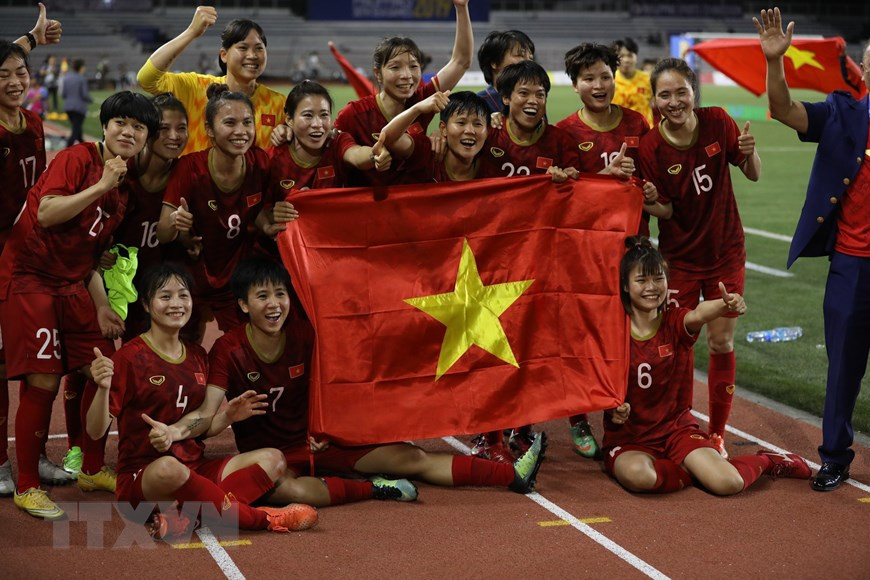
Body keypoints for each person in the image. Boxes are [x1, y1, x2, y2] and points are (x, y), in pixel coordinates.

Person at [206, 257, 547, 508]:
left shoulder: (304, 335)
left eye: (279, 294)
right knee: (285, 493)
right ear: (242, 305)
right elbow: (207, 421)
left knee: (412, 458)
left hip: (321, 442)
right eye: (262, 297)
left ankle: (511, 476)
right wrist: (226, 418)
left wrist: (324, 430)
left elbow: (336, 385)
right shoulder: (227, 349)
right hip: (272, 457)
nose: (274, 305)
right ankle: (376, 489)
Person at [0, 91, 159, 519]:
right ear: (105, 126)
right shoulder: (77, 160)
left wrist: (103, 305)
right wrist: (102, 185)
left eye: (138, 127)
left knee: (104, 368)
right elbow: (48, 213)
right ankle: (27, 486)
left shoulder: (124, 189)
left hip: (71, 284)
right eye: (121, 123)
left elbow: (88, 257)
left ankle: (90, 467)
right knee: (43, 382)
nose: (128, 132)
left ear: (146, 138)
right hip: (30, 279)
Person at [87, 263, 318, 539]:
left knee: (273, 458)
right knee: (168, 467)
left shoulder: (197, 355)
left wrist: (226, 418)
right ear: (147, 305)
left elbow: (201, 426)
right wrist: (102, 388)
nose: (176, 304)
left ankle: (188, 519)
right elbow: (95, 431)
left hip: (195, 467)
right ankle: (262, 518)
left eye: (183, 295)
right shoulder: (129, 357)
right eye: (165, 296)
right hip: (146, 477)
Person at [754, 8, 870, 491]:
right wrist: (774, 63)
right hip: (853, 262)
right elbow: (783, 111)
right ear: (865, 68)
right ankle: (835, 456)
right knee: (843, 363)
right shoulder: (843, 110)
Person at [603, 237, 811, 495]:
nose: (652, 287)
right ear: (625, 285)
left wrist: (726, 303)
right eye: (641, 280)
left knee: (729, 484)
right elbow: (595, 383)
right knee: (638, 476)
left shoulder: (675, 321)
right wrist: (612, 409)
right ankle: (693, 470)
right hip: (629, 439)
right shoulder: (612, 331)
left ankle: (770, 461)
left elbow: (699, 313)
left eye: (659, 279)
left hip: (676, 432)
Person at [637, 58, 761, 459]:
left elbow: (753, 174)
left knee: (721, 341)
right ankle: (675, 425)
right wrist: (652, 203)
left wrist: (749, 153)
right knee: (678, 342)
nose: (674, 101)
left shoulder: (718, 122)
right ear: (654, 100)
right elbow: (668, 212)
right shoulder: (650, 148)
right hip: (680, 259)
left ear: (694, 92)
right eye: (665, 94)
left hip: (726, 251)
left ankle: (718, 434)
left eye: (681, 92)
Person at [555, 43, 669, 459]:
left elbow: (653, 185)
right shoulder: (565, 133)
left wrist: (651, 189)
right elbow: (563, 203)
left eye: (605, 76)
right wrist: (602, 177)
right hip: (588, 253)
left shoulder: (638, 123)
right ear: (575, 85)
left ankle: (618, 419)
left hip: (634, 248)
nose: (599, 85)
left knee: (626, 337)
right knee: (587, 336)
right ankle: (577, 416)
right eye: (589, 79)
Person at [157, 84, 294, 340]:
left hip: (233, 279)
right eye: (230, 123)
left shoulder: (260, 163)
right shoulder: (189, 167)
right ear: (209, 130)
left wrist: (269, 226)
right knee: (185, 351)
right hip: (189, 278)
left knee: (244, 347)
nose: (241, 131)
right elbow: (163, 232)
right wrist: (176, 223)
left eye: (247, 123)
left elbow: (258, 213)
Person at [334, 0, 473, 185]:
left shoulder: (422, 99)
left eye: (413, 66)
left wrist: (461, 8)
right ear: (378, 74)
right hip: (369, 208)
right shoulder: (353, 114)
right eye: (395, 67)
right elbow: (338, 151)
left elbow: (461, 61)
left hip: (413, 207)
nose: (406, 75)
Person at [137, 6, 286, 156]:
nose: (252, 55)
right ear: (224, 55)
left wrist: (288, 132)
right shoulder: (196, 87)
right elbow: (147, 79)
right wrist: (191, 32)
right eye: (243, 48)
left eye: (259, 48)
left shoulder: (278, 104)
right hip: (192, 178)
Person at [104, 92, 190, 341]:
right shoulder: (119, 172)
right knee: (94, 360)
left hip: (157, 288)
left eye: (181, 128)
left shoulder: (187, 172)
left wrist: (189, 238)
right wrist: (98, 252)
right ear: (149, 131)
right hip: (114, 283)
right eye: (164, 128)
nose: (174, 137)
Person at [269, 80, 391, 195]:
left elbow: (356, 154)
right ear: (289, 119)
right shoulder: (273, 159)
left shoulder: (337, 142)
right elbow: (262, 211)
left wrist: (374, 155)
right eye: (308, 115)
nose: (317, 124)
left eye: (324, 115)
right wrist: (274, 213)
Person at [380, 90, 489, 183]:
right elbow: (387, 138)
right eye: (461, 123)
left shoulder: (493, 157)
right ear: (443, 129)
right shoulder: (427, 151)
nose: (470, 131)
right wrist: (417, 109)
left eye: (478, 124)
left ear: (487, 131)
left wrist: (498, 118)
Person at [476, 30, 535, 114]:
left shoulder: (534, 102)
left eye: (531, 58)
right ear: (494, 62)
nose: (528, 62)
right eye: (520, 55)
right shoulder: (477, 104)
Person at [611, 38, 654, 128]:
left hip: (645, 132)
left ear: (636, 57)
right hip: (618, 133)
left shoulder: (648, 79)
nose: (626, 60)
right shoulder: (610, 81)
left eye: (630, 55)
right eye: (621, 56)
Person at [62, 59, 91, 147]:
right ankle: (67, 149)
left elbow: (63, 94)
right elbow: (84, 94)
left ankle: (85, 148)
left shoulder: (66, 78)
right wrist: (90, 99)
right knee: (75, 132)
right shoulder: (81, 79)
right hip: (79, 108)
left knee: (78, 131)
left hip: (68, 107)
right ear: (81, 68)